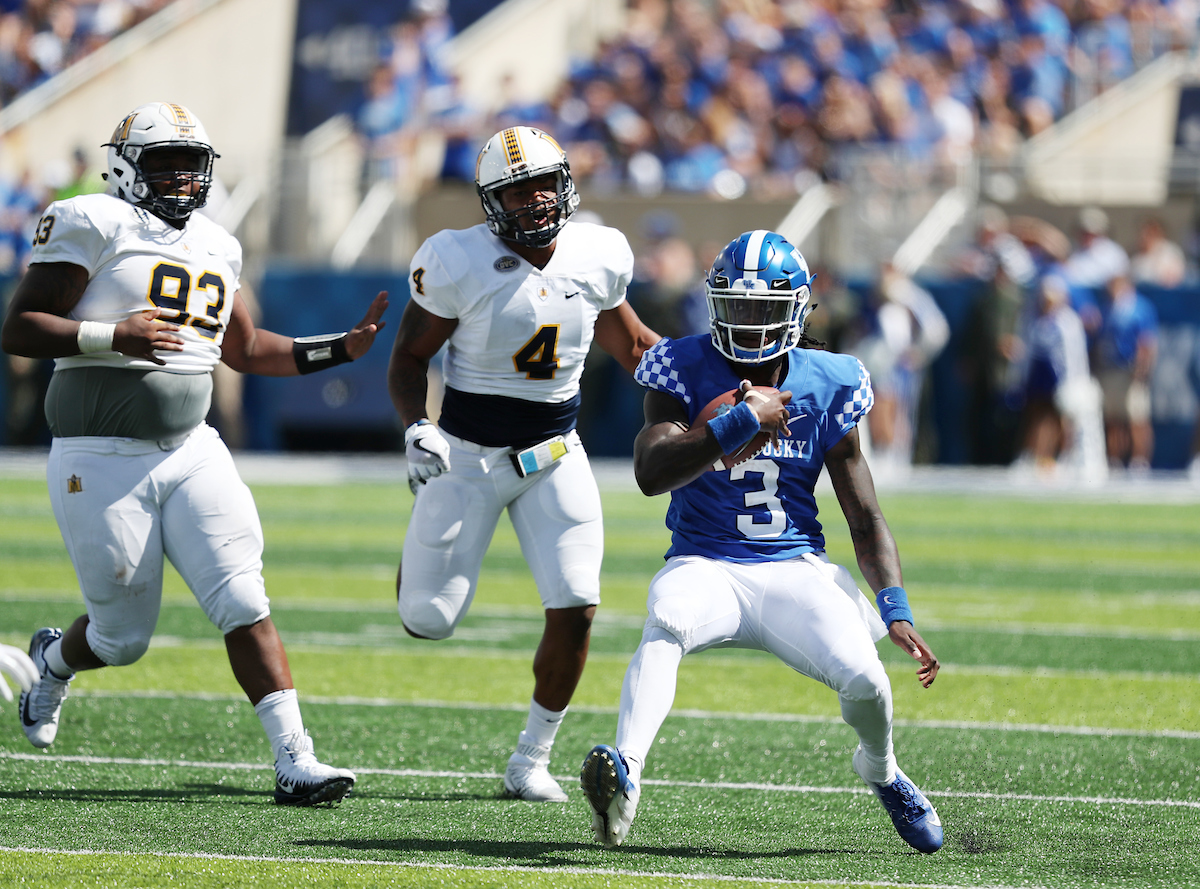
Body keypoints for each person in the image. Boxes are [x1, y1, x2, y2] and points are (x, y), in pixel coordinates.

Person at [0, 102, 389, 806]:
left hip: (191, 450)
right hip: (100, 454)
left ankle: (295, 758)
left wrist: (337, 348)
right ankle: (56, 659)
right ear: (126, 165)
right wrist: (109, 336)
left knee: (244, 594)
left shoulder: (218, 241)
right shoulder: (93, 220)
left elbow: (242, 349)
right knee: (121, 638)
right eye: (164, 162)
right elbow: (20, 327)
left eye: (191, 163)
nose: (180, 177)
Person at [580, 230, 943, 853]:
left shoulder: (831, 380)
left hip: (794, 566)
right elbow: (650, 471)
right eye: (737, 307)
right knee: (666, 618)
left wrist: (896, 606)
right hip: (705, 563)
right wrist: (739, 420)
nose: (748, 325)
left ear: (798, 311)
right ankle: (628, 773)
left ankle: (881, 770)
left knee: (869, 682)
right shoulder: (682, 364)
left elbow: (863, 512)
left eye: (763, 311)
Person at [387, 125, 660, 802]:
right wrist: (418, 425)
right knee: (427, 618)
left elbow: (635, 348)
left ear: (565, 181)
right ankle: (419, 548)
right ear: (489, 200)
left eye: (544, 183)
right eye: (518, 190)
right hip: (467, 457)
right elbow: (407, 359)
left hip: (554, 454)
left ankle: (530, 759)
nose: (536, 201)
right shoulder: (455, 260)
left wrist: (717, 383)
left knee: (577, 604)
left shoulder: (598, 252)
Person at [1091, 272, 1158, 472]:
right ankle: (1115, 460)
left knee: (1137, 418)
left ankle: (1140, 460)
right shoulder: (1107, 308)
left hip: (1131, 370)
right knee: (1113, 418)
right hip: (1109, 368)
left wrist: (1142, 369)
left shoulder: (1140, 307)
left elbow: (1147, 342)